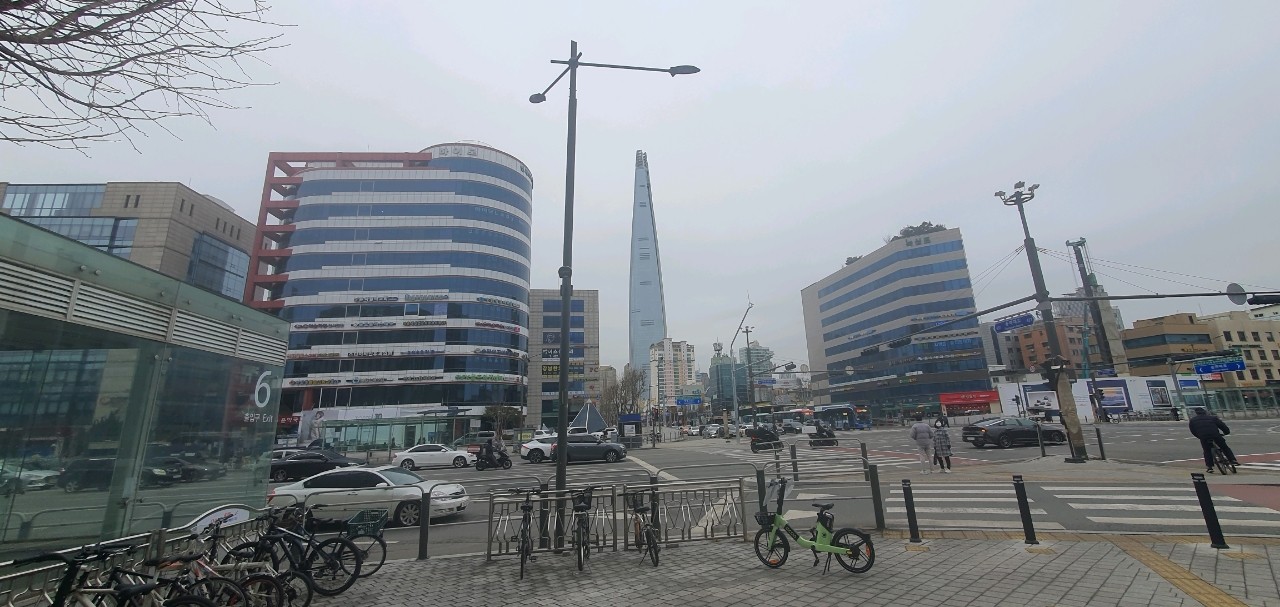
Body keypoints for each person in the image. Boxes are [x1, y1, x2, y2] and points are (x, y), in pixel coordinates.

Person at [1189, 407, 1238, 472]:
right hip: (1215, 435)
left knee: (1207, 451)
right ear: (1205, 412)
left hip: (1204, 437)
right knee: (1224, 447)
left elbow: (1193, 431)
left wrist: (1199, 436)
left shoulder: (1192, 420)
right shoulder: (1212, 418)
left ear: (1196, 413)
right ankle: (1232, 460)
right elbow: (1222, 425)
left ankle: (1209, 467)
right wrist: (1226, 432)